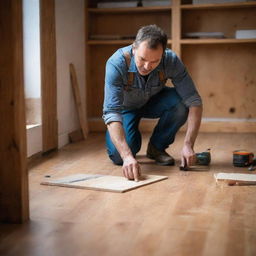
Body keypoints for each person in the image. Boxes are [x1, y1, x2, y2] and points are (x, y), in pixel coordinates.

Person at [103, 24, 202, 181]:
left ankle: (157, 147)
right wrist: (127, 155)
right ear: (134, 48)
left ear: (162, 54)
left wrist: (189, 144)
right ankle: (130, 145)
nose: (147, 66)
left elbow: (194, 101)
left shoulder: (171, 60)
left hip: (153, 101)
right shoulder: (116, 63)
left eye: (155, 61)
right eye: (142, 59)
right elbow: (111, 112)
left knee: (181, 104)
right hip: (125, 109)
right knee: (119, 157)